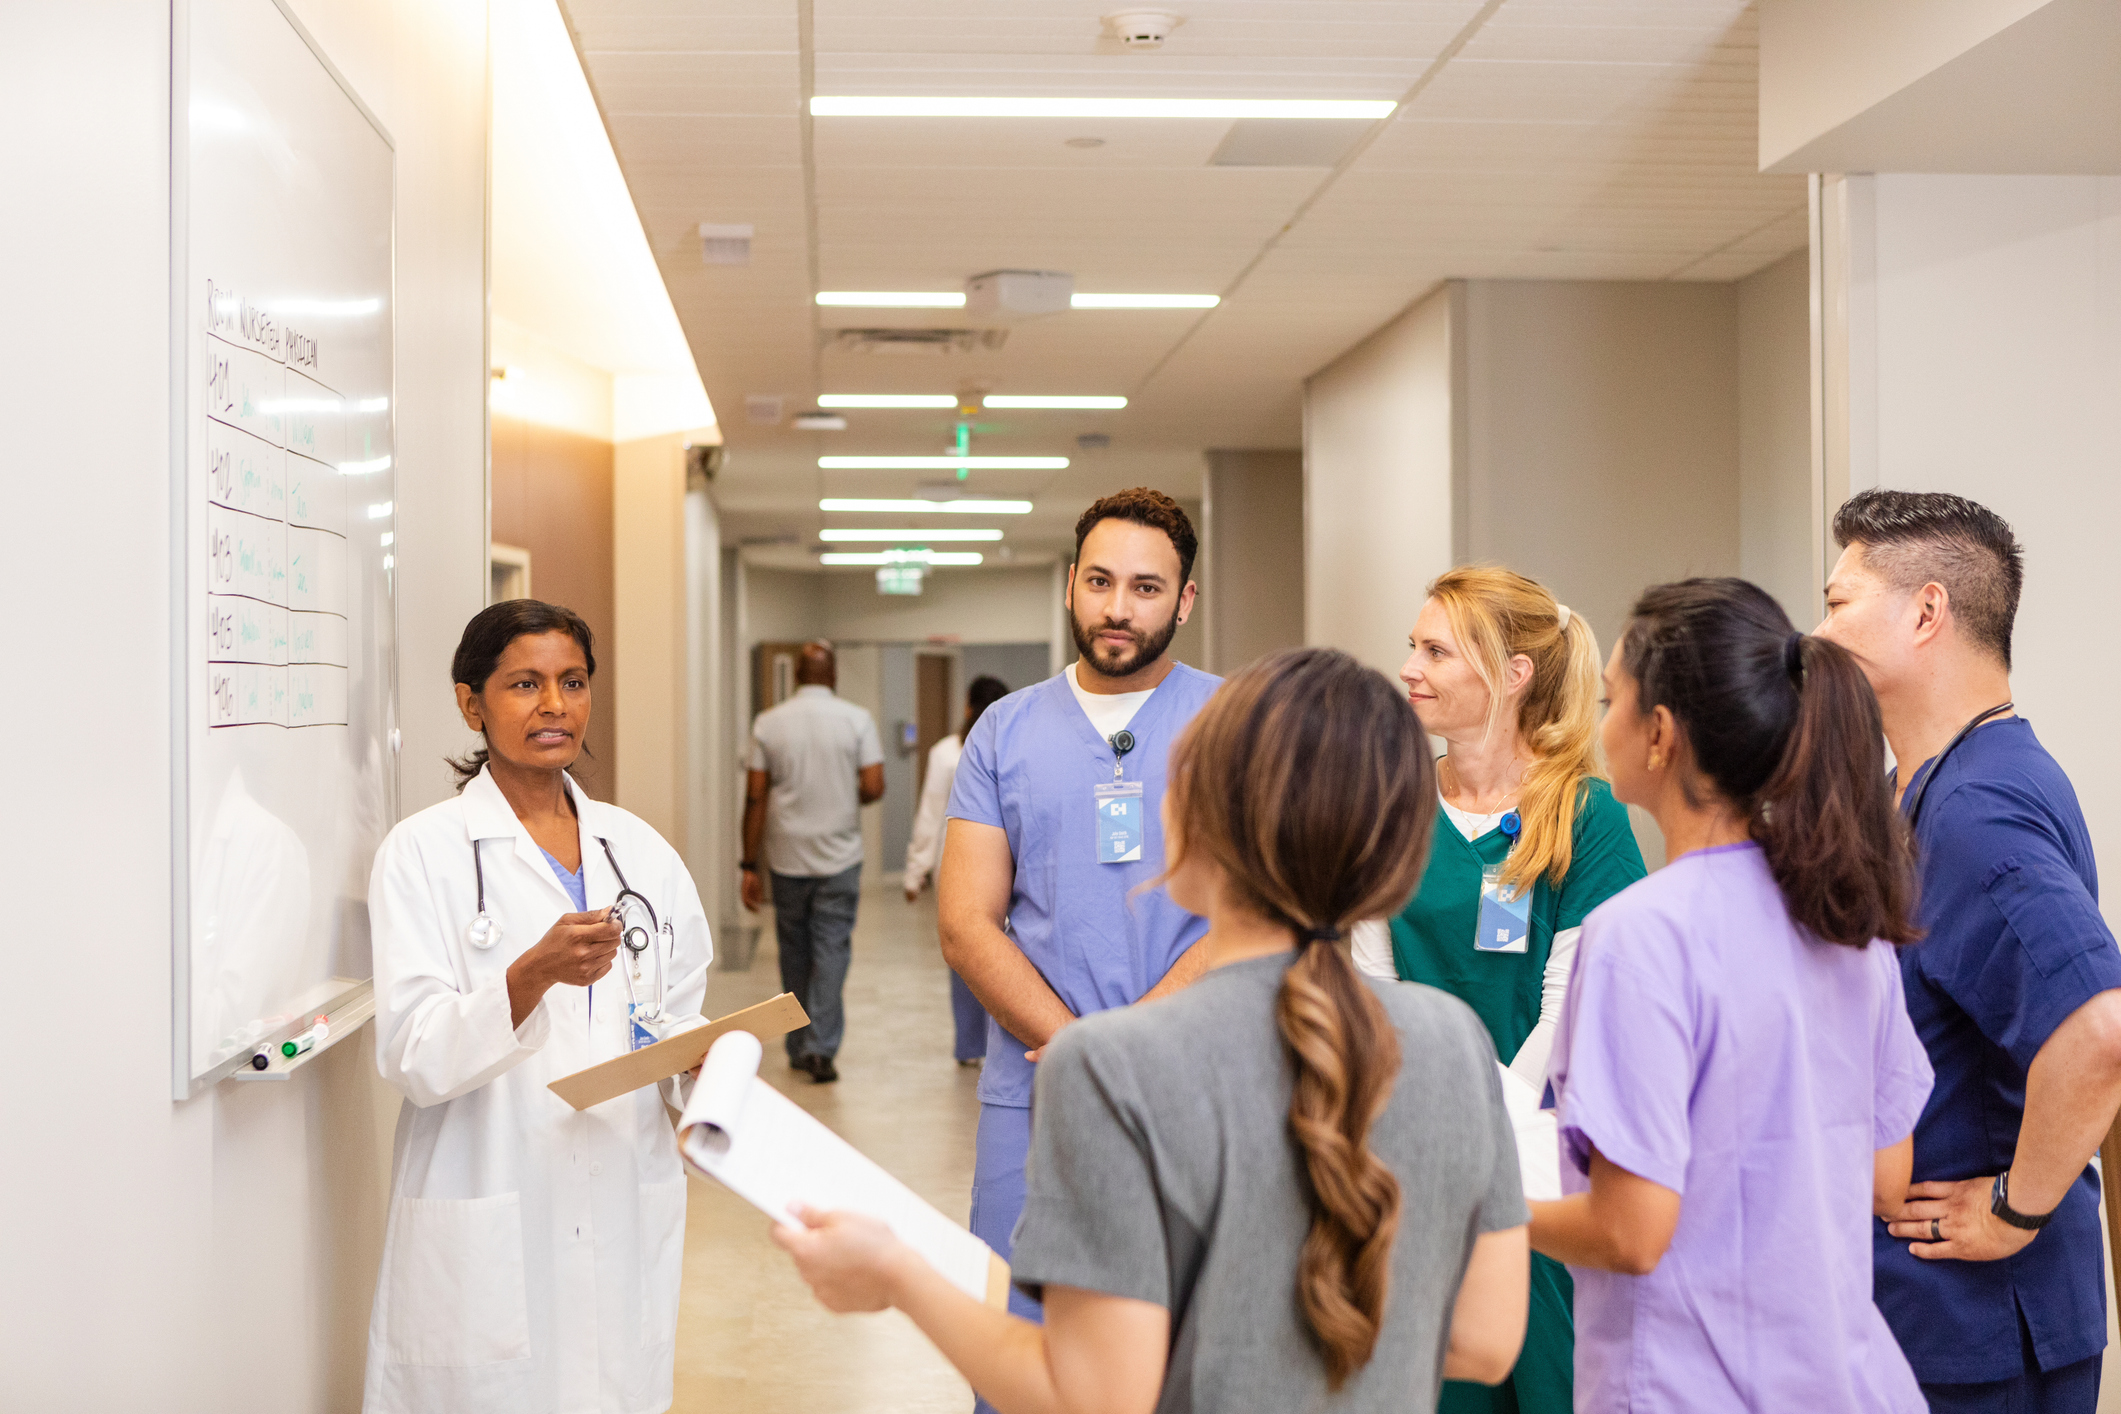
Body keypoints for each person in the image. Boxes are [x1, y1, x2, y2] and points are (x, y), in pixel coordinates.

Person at [771, 647, 1531, 1413]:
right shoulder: (1452, 1042)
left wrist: (901, 1275)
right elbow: (1486, 1340)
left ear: (1197, 819)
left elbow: (1094, 1397)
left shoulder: (1111, 1066)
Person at [1528, 577, 1933, 1413]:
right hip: (1843, 1383)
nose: (1601, 724)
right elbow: (1885, 1177)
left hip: (1689, 1387)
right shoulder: (1846, 922)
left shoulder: (1641, 935)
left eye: (1612, 700)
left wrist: (1475, 1208)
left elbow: (1630, 1233)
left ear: (1660, 736)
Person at [363, 600, 712, 1414]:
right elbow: (412, 1055)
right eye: (525, 683)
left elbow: (674, 1007)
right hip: (487, 1178)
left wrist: (702, 1059)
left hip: (621, 1180)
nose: (554, 704)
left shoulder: (639, 852)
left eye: (572, 681)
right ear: (471, 702)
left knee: (612, 1382)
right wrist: (529, 977)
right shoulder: (422, 853)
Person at [1817, 490, 2121, 1413]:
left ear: (1925, 611)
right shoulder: (1924, 787)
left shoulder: (1975, 810)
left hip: (1980, 1326)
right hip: (1930, 1319)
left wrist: (2011, 1209)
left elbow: (2101, 1030)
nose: (1818, 632)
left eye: (1837, 603)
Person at [936, 487, 1219, 1390]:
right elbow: (965, 922)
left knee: (1186, 1353)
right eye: (1099, 582)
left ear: (1184, 601)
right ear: (1069, 586)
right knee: (1019, 1349)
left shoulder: (1236, 726)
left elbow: (1263, 912)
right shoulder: (1004, 731)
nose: (1116, 608)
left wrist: (1132, 1050)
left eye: (1145, 587)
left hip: (1195, 1090)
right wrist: (1078, 1051)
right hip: (1037, 1090)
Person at [1352, 567, 1644, 1414]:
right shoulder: (1389, 805)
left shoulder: (1588, 814)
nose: (1410, 667)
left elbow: (1575, 1004)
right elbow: (1374, 990)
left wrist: (1489, 1138)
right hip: (1412, 1154)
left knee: (1550, 1383)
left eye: (1436, 651)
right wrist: (1427, 1136)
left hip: (1545, 1169)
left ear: (1513, 673)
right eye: (1413, 647)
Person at [741, 640, 885, 1084]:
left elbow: (756, 796)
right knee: (832, 951)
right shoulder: (857, 720)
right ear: (833, 675)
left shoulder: (769, 723)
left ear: (800, 674)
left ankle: (797, 1043)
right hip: (840, 856)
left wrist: (748, 864)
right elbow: (875, 785)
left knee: (794, 953)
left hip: (786, 857)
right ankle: (821, 1048)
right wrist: (846, 793)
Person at [904, 673, 1012, 1065]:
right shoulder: (1013, 744)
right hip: (1009, 865)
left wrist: (914, 872)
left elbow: (931, 815)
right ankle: (1004, 1039)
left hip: (955, 866)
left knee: (967, 952)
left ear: (967, 705)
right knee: (1007, 952)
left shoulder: (946, 752)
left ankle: (971, 1046)